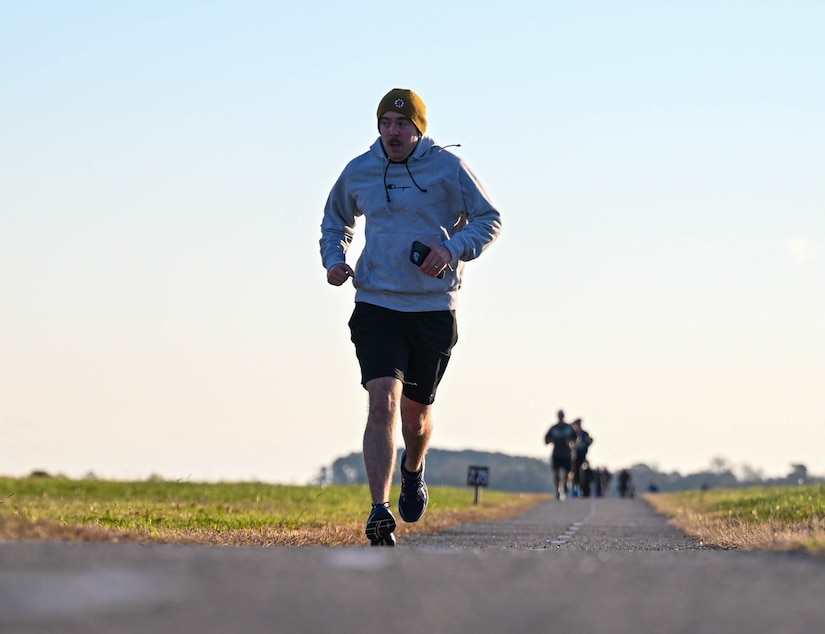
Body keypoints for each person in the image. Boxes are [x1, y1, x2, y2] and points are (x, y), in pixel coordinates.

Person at [320, 88, 502, 546]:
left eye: (402, 124)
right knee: (382, 400)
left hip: (432, 309)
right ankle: (379, 510)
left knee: (416, 416)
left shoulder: (448, 168)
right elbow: (335, 219)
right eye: (385, 123)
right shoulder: (360, 169)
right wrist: (334, 259)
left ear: (419, 128)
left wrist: (451, 248)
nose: (392, 132)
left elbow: (489, 218)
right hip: (377, 303)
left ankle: (413, 470)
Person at [544, 409, 577, 499]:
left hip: (567, 453)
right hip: (557, 453)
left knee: (567, 472)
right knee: (556, 472)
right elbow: (546, 439)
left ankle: (565, 484)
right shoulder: (554, 428)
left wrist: (572, 443)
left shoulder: (569, 428)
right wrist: (551, 440)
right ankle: (558, 489)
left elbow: (575, 438)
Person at [571, 418, 594, 496]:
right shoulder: (573, 434)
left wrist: (587, 444)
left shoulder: (585, 433)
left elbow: (590, 440)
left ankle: (581, 489)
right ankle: (576, 488)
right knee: (575, 472)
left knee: (582, 472)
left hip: (582, 456)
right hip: (574, 456)